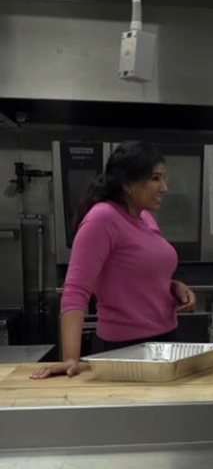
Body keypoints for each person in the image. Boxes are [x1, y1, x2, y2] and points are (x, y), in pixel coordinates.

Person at [31, 142, 196, 379]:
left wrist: (173, 287)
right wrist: (70, 358)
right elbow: (76, 290)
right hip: (124, 351)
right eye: (155, 179)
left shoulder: (146, 218)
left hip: (165, 343)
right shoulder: (103, 219)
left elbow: (137, 273)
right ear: (128, 184)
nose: (164, 188)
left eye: (163, 178)